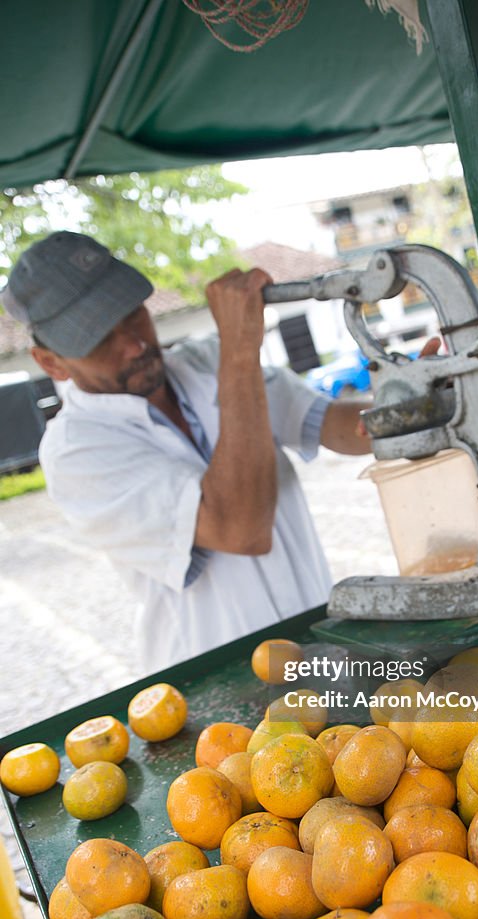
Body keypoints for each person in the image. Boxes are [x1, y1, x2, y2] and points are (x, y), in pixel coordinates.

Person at [1, 231, 377, 674]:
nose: (135, 345)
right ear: (51, 363)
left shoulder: (206, 360)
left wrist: (416, 398)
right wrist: (239, 353)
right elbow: (239, 528)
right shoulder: (74, 452)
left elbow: (338, 426)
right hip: (218, 686)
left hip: (319, 649)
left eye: (133, 315)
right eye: (99, 339)